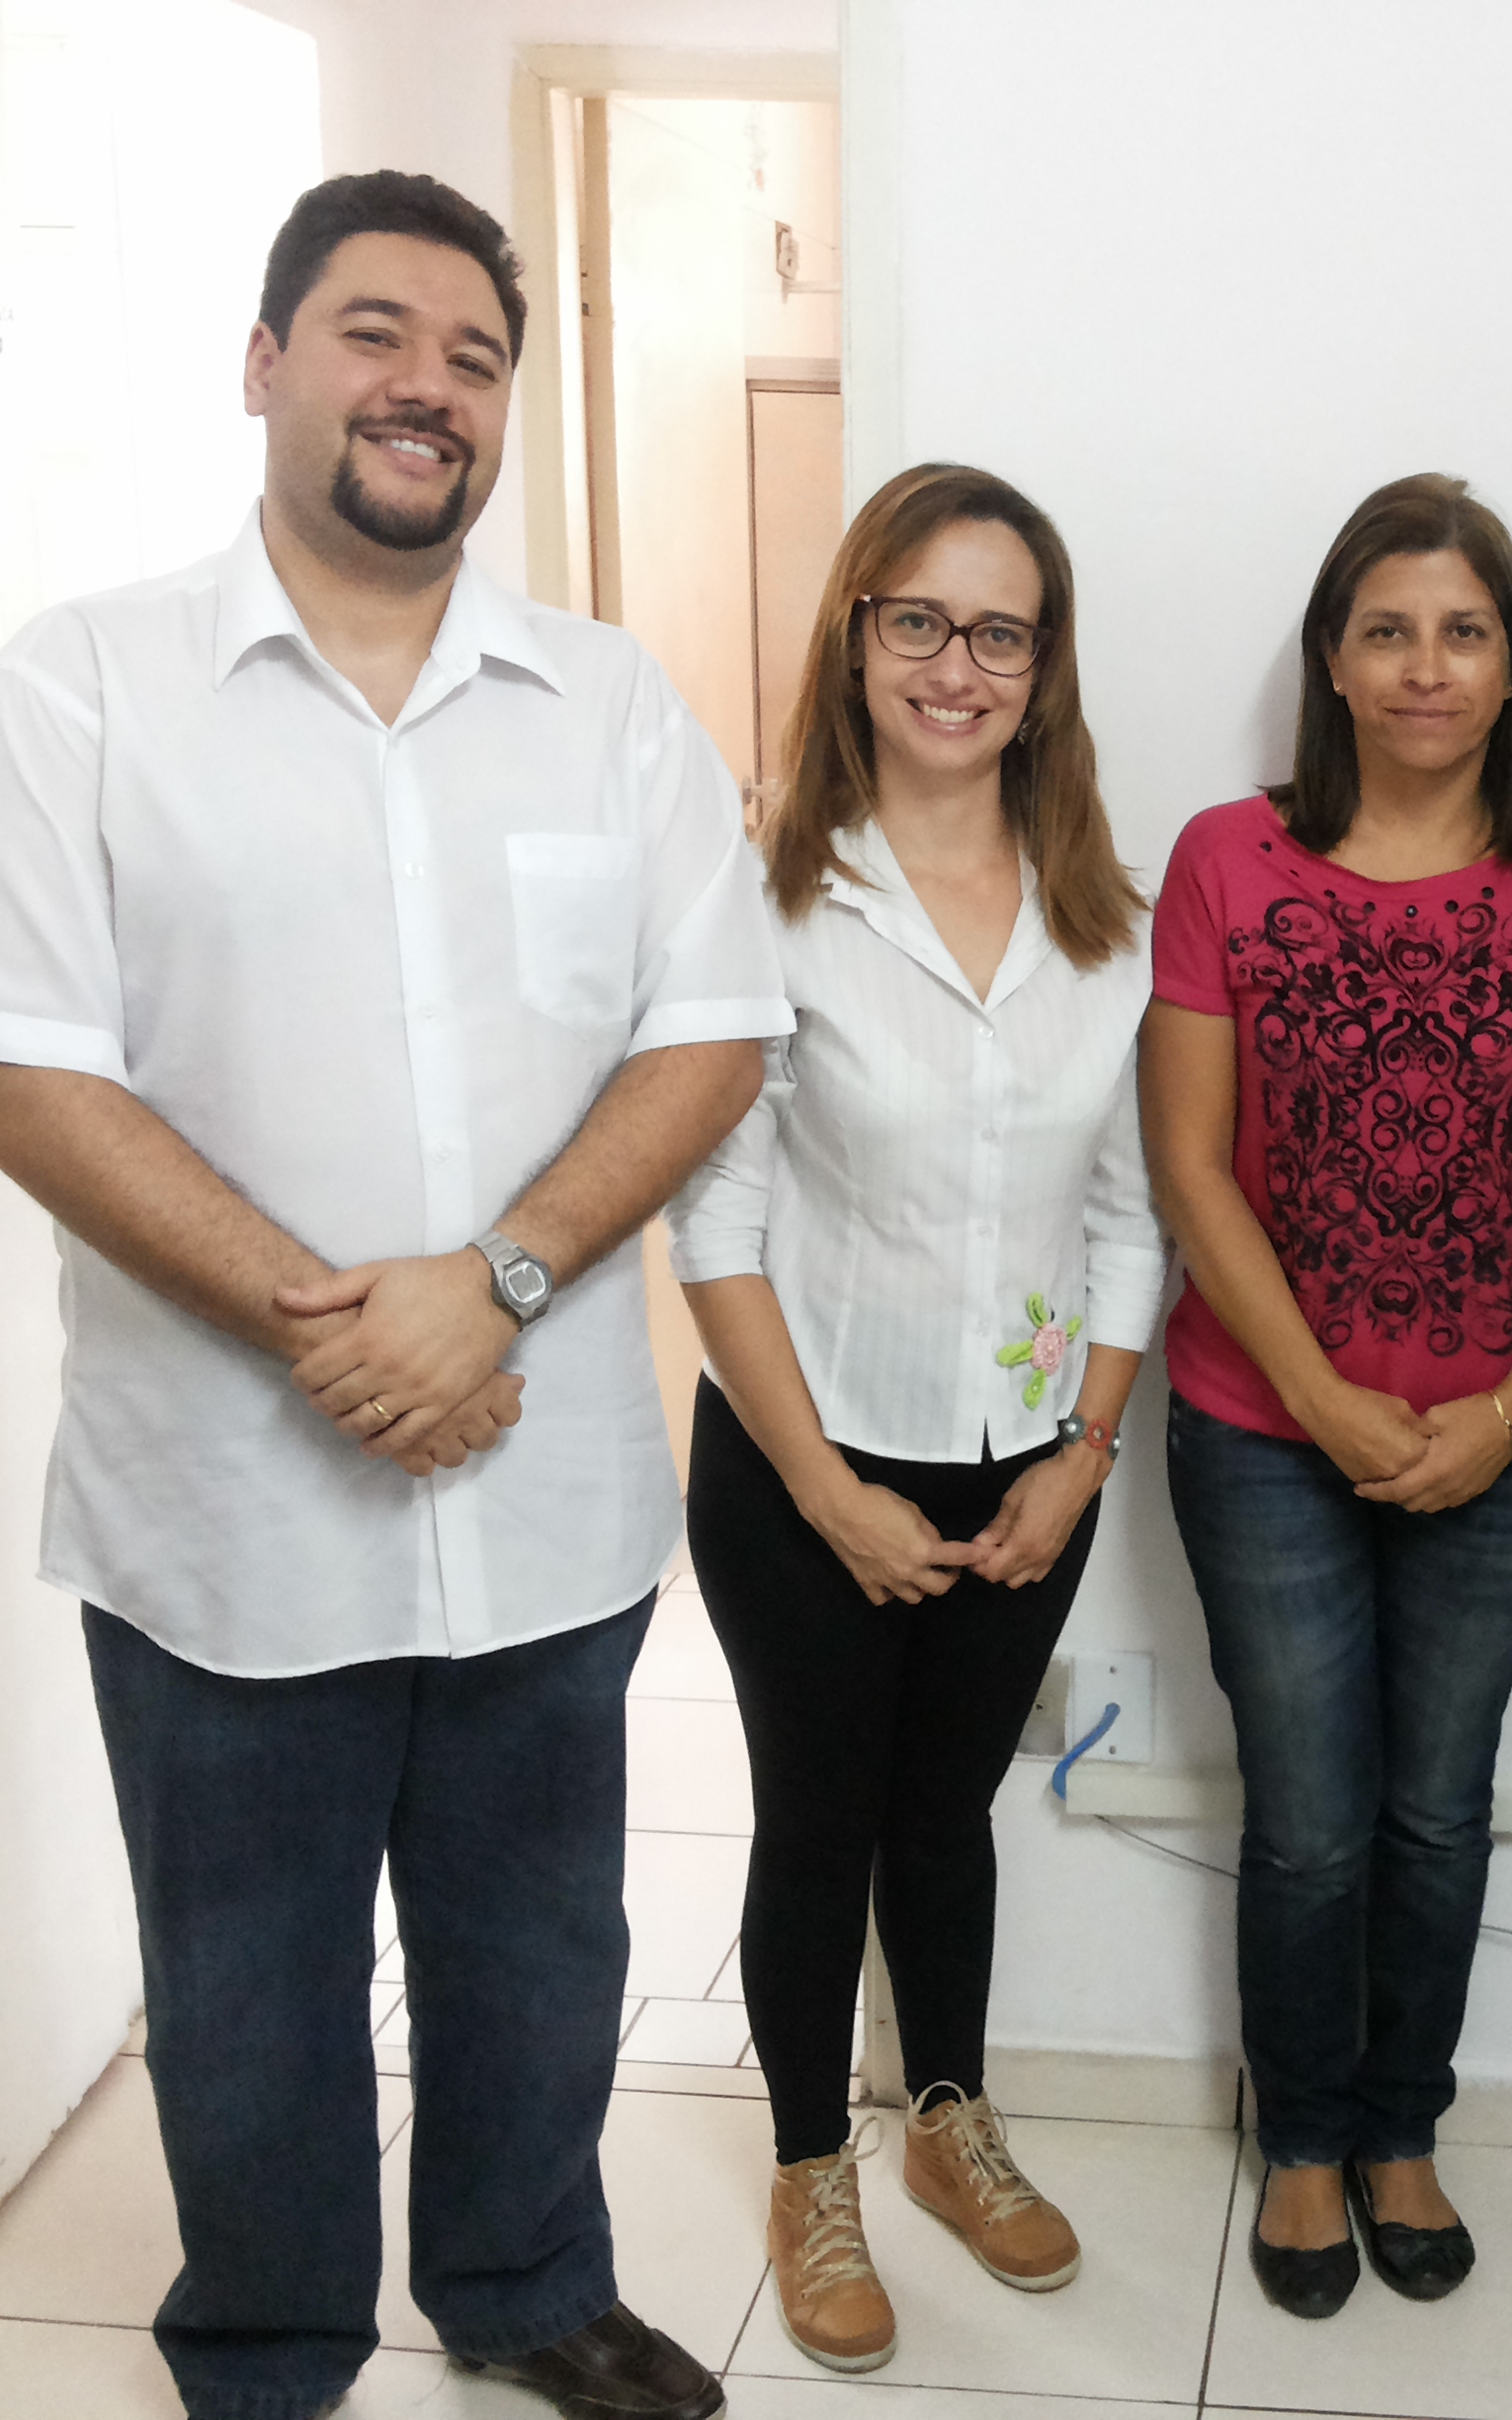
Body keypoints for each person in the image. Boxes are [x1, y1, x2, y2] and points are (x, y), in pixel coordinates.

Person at [0, 173, 781, 2419]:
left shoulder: (608, 705)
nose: (427, 387)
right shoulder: (81, 689)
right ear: (266, 363)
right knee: (245, 1990)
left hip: (544, 1502)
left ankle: (524, 2281)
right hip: (223, 1519)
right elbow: (9, 1063)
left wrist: (496, 1285)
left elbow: (713, 1028)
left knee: (541, 1948)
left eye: (474, 357)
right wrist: (350, 1329)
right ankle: (272, 2349)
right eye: (376, 333)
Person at [665, 463, 1163, 2375]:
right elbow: (713, 1228)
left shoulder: (1103, 922)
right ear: (857, 636)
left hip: (1028, 1468)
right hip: (806, 1458)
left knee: (947, 1817)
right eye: (920, 622)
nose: (958, 667)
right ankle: (814, 2171)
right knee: (818, 1824)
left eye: (1000, 633)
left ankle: (947, 2118)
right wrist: (828, 1491)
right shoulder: (766, 894)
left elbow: (1129, 1217)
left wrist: (1083, 1456)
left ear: (1046, 669)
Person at [1141, 475, 1512, 2320]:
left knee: (1439, 1807)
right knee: (1310, 1816)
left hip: (1505, 1444)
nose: (1427, 667)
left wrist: (1507, 1409)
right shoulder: (1227, 857)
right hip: (1263, 1434)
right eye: (1389, 630)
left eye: (1465, 631)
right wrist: (1325, 1399)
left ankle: (1403, 2126)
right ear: (1333, 663)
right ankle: (1302, 2140)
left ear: (1511, 669)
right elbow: (1192, 1169)